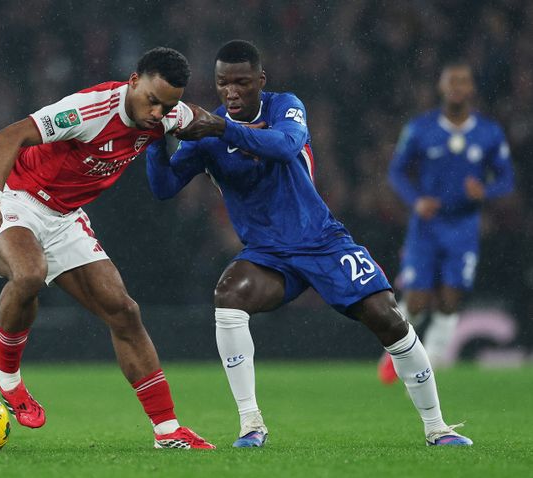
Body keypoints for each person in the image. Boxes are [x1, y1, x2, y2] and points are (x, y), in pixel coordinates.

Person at [146, 40, 472, 448]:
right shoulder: (206, 136)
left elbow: (284, 146)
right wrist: (155, 139)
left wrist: (221, 128)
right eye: (223, 83)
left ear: (260, 81)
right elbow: (163, 187)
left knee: (387, 317)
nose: (231, 92)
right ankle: (250, 424)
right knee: (228, 295)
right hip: (267, 255)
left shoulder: (284, 106)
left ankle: (437, 428)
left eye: (242, 82)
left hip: (322, 241)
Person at [0, 47, 214, 449]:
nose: (157, 113)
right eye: (152, 100)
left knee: (124, 311)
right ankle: (9, 379)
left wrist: (251, 135)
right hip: (16, 198)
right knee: (29, 273)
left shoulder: (167, 114)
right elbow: (9, 135)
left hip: (64, 217)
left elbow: (203, 119)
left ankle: (168, 430)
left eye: (166, 106)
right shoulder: (90, 110)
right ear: (133, 81)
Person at [378, 62, 514, 383]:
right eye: (451, 81)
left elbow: (507, 178)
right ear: (441, 87)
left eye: (462, 81)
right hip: (426, 226)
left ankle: (429, 366)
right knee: (417, 300)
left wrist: (485, 191)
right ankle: (394, 354)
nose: (456, 87)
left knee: (451, 299)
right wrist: (416, 200)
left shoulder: (489, 132)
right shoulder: (421, 128)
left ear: (471, 88)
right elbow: (397, 171)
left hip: (464, 227)